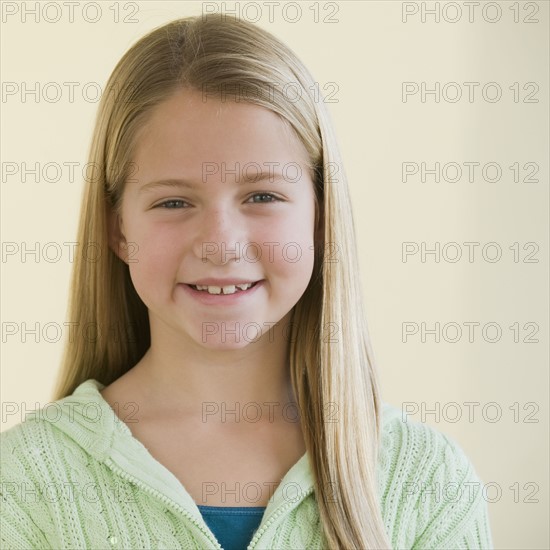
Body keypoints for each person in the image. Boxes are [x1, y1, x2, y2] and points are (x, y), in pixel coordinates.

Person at [0, 14, 494, 550]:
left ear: (321, 219)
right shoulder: (23, 487)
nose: (221, 243)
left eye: (262, 196)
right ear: (118, 229)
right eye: (173, 201)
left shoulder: (429, 483)